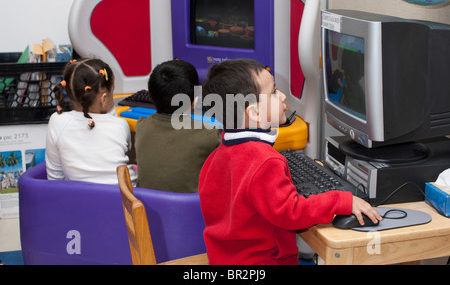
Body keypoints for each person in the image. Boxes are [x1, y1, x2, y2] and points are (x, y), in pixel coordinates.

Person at [199, 58, 381, 265]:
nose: (283, 95)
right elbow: (290, 213)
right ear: (255, 113)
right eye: (274, 92)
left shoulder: (216, 156)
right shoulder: (265, 161)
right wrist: (342, 201)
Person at [135, 60, 221, 193]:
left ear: (151, 95)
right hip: (192, 211)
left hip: (147, 211)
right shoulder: (209, 135)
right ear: (195, 101)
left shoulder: (141, 126)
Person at [45, 58, 136, 185]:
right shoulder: (120, 125)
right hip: (123, 201)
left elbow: (54, 179)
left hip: (78, 201)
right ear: (103, 99)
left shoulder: (57, 121)